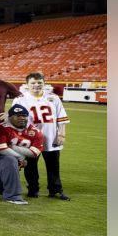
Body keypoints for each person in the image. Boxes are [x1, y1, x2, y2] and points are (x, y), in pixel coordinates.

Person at [11, 72, 71, 200]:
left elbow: (61, 117)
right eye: (33, 83)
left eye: (39, 83)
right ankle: (33, 190)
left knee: (53, 166)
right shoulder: (20, 99)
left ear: (44, 83)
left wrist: (62, 135)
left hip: (51, 137)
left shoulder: (53, 98)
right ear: (27, 84)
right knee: (31, 166)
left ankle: (55, 190)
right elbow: (16, 121)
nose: (36, 85)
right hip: (30, 140)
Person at [0, 105, 40, 205]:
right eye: (18, 116)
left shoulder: (35, 131)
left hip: (14, 162)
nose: (22, 118)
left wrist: (12, 147)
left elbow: (35, 152)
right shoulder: (1, 128)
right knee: (9, 160)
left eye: (24, 115)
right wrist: (19, 157)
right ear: (10, 118)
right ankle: (13, 196)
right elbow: (0, 149)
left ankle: (31, 189)